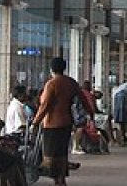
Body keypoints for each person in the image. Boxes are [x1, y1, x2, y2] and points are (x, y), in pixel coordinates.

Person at [32, 57, 94, 185]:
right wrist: (91, 114)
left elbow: (45, 105)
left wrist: (35, 122)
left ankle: (58, 181)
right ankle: (61, 180)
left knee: (52, 156)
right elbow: (83, 100)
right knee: (61, 154)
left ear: (51, 69)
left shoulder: (52, 84)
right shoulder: (71, 82)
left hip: (52, 124)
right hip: (66, 123)